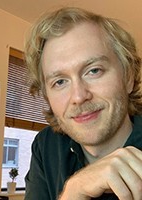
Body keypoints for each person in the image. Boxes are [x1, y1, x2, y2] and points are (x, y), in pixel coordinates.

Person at [24, 6, 142, 200]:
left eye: (94, 71)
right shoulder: (46, 146)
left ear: (128, 77)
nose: (78, 96)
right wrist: (74, 191)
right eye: (60, 82)